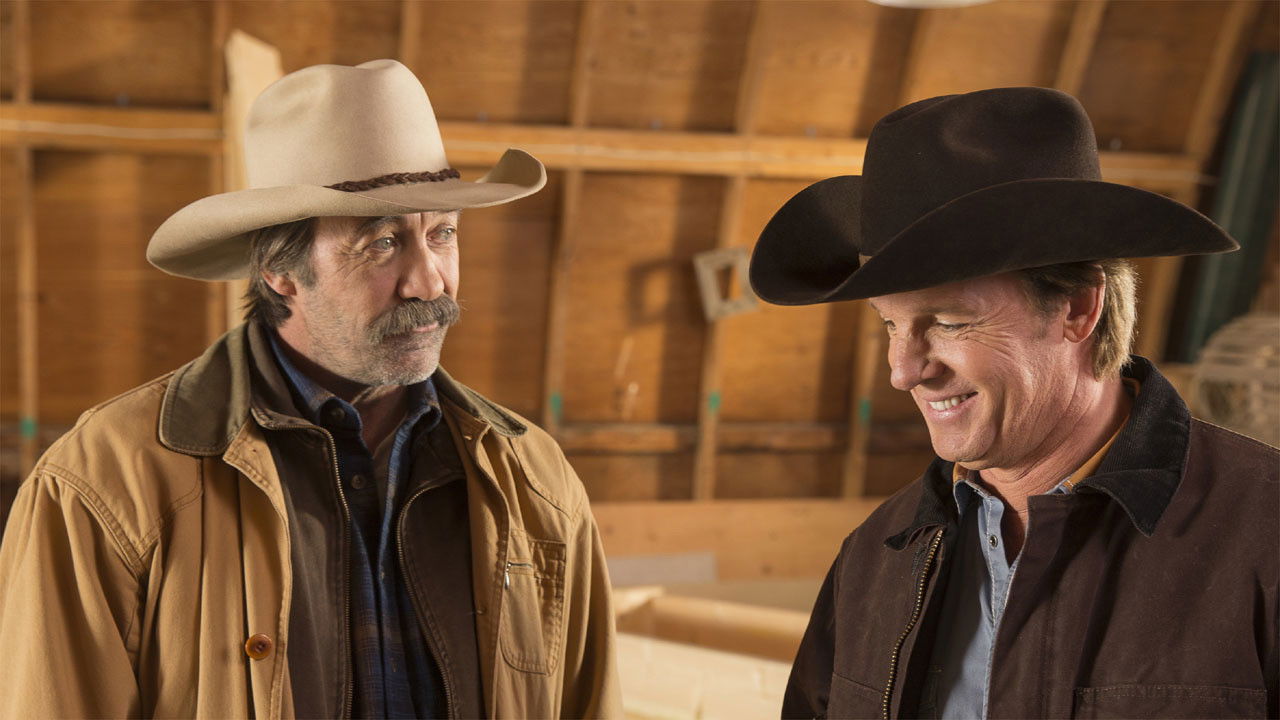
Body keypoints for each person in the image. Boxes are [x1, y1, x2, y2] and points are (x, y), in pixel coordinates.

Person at [0, 59, 620, 719]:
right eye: (382, 242)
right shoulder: (105, 483)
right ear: (280, 269)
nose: (430, 282)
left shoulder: (535, 480)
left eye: (442, 234)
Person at [750, 87, 1277, 719]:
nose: (903, 371)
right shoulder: (876, 557)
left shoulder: (1265, 535)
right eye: (889, 325)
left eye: (950, 322)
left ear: (1078, 308)